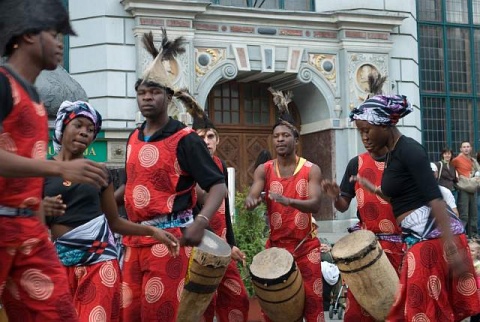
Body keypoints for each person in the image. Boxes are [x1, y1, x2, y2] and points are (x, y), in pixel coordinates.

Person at [0, 1, 109, 321]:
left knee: (58, 314)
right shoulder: (2, 84)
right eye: (55, 33)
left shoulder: (32, 97)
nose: (61, 43)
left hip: (29, 233)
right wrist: (58, 167)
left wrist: (38, 207)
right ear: (30, 35)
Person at [115, 30, 227, 322]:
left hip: (169, 241)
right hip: (133, 241)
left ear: (167, 96)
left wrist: (201, 222)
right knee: (130, 315)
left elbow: (217, 185)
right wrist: (96, 203)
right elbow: (132, 184)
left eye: (154, 93)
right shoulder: (133, 137)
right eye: (142, 93)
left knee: (160, 315)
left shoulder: (185, 139)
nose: (147, 98)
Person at [42, 100, 179, 322]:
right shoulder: (44, 171)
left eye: (90, 129)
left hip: (99, 261)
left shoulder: (99, 172)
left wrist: (153, 232)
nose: (84, 132)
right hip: (60, 262)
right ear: (62, 127)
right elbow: (34, 220)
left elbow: (114, 222)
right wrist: (42, 208)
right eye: (78, 125)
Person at [349, 93, 480, 320]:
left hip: (434, 238)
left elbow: (435, 197)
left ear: (385, 125)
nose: (364, 137)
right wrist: (371, 188)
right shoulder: (394, 153)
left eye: (367, 129)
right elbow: (400, 197)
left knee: (422, 309)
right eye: (361, 131)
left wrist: (451, 248)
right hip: (420, 238)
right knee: (420, 308)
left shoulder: (410, 150)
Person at [321, 74, 404, 321]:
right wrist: (336, 197)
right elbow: (344, 204)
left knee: (398, 308)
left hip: (401, 247)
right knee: (361, 311)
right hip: (366, 250)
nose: (366, 135)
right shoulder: (356, 163)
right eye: (363, 129)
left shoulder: (403, 158)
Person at [245, 87, 324, 322]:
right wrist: (252, 200)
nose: (280, 139)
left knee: (312, 304)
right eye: (276, 136)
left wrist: (289, 201)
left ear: (296, 140)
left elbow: (316, 204)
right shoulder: (265, 169)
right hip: (276, 248)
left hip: (306, 247)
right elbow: (253, 193)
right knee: (275, 310)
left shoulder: (311, 169)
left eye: (285, 136)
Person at [192, 114, 249, 322]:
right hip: (199, 248)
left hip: (223, 248)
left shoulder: (220, 166)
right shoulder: (187, 168)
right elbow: (193, 213)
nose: (206, 142)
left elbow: (225, 210)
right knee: (204, 305)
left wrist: (231, 244)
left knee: (238, 299)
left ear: (217, 140)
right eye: (201, 137)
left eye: (210, 136)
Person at [452, 141, 480, 238]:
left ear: (471, 148)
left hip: (473, 188)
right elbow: (451, 170)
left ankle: (474, 234)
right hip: (463, 188)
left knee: (474, 213)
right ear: (461, 149)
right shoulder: (456, 160)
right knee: (464, 213)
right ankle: (462, 234)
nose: (466, 148)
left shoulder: (473, 161)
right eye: (464, 147)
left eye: (468, 146)